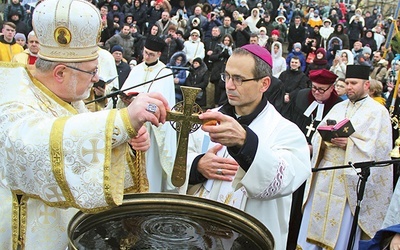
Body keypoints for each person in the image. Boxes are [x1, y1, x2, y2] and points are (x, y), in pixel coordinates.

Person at [0, 0, 170, 248]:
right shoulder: (12, 99)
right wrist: (122, 122)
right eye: (91, 71)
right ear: (60, 73)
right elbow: (38, 147)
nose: (97, 78)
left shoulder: (67, 93)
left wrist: (126, 139)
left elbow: (80, 137)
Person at [179, 44, 311, 250]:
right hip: (198, 236)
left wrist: (245, 142)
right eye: (227, 76)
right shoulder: (208, 119)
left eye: (239, 79)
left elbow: (286, 180)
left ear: (264, 83)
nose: (229, 85)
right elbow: (177, 161)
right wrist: (197, 166)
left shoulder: (286, 131)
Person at [297, 65, 393, 250]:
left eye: (354, 83)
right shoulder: (338, 107)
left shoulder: (378, 112)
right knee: (313, 223)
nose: (349, 87)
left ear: (366, 84)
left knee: (340, 232)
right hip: (325, 175)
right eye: (347, 83)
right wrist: (324, 139)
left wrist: (350, 144)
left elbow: (380, 150)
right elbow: (317, 137)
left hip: (349, 181)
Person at [286, 68, 342, 250]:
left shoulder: (338, 107)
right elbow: (286, 122)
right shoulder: (301, 96)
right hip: (292, 158)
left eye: (321, 90)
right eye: (314, 88)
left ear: (332, 88)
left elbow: (336, 140)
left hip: (315, 165)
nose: (316, 93)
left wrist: (315, 147)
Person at [117, 35, 177, 193]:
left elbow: (164, 104)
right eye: (145, 52)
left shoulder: (165, 73)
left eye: (151, 54)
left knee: (149, 168)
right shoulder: (136, 69)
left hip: (151, 130)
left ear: (159, 54)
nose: (147, 56)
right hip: (131, 126)